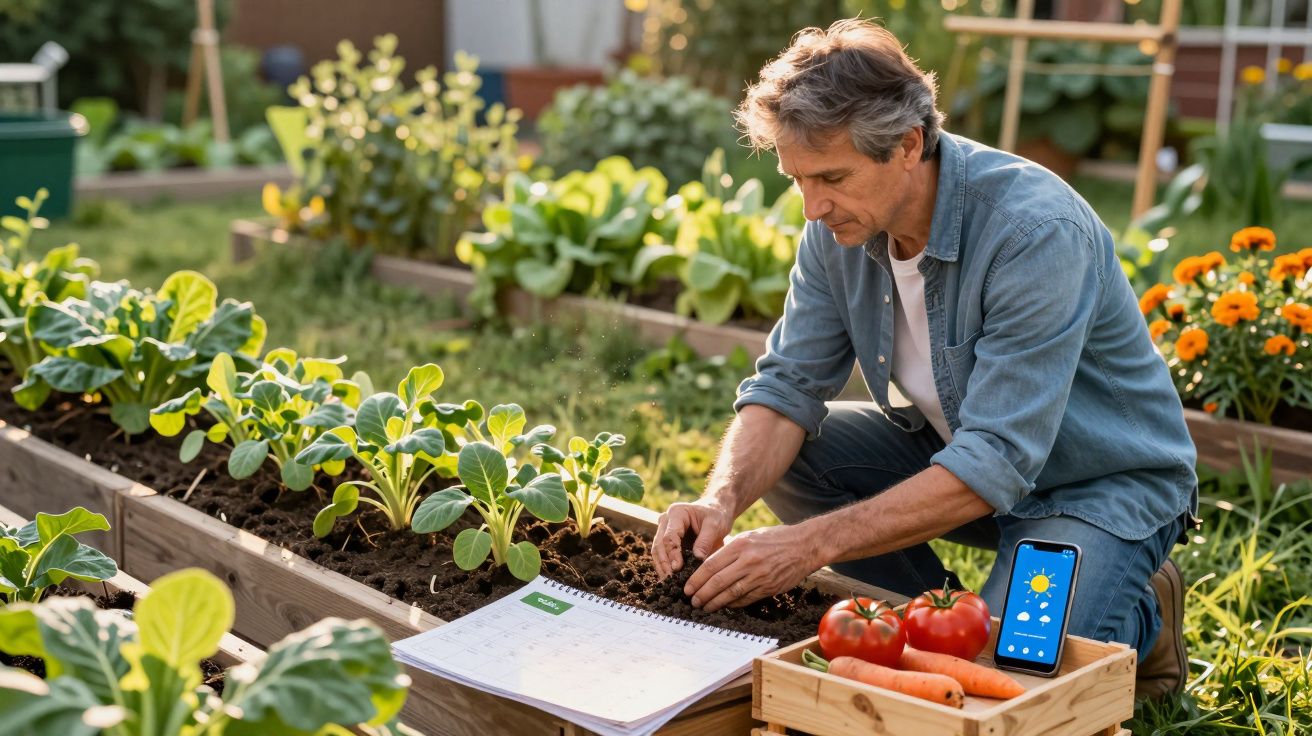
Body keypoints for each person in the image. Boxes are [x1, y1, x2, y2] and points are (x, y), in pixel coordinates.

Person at [649, 18, 1198, 699]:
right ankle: (942, 629)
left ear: (908, 144)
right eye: (797, 179)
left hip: (1094, 488)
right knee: (801, 461)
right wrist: (721, 498)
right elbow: (787, 385)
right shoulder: (837, 228)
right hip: (967, 457)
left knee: (1009, 674)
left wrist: (808, 547)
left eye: (832, 177)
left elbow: (996, 458)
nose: (812, 206)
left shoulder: (1033, 233)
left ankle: (1140, 612)